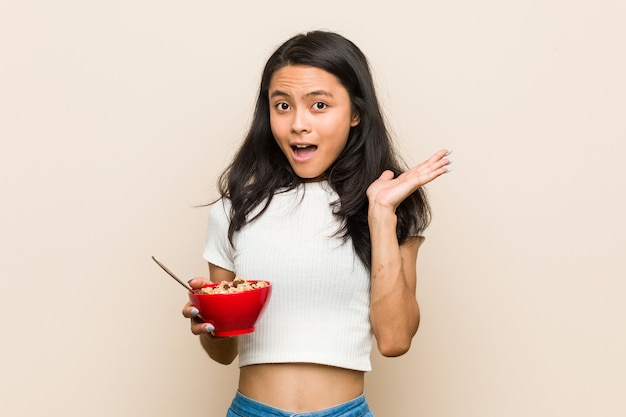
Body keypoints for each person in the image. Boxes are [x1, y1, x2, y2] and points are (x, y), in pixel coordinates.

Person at [182, 30, 451, 417]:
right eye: (282, 106)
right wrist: (209, 320)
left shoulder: (390, 207)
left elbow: (394, 339)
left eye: (319, 105)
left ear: (356, 113)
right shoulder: (234, 210)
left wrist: (380, 215)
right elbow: (223, 352)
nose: (298, 124)